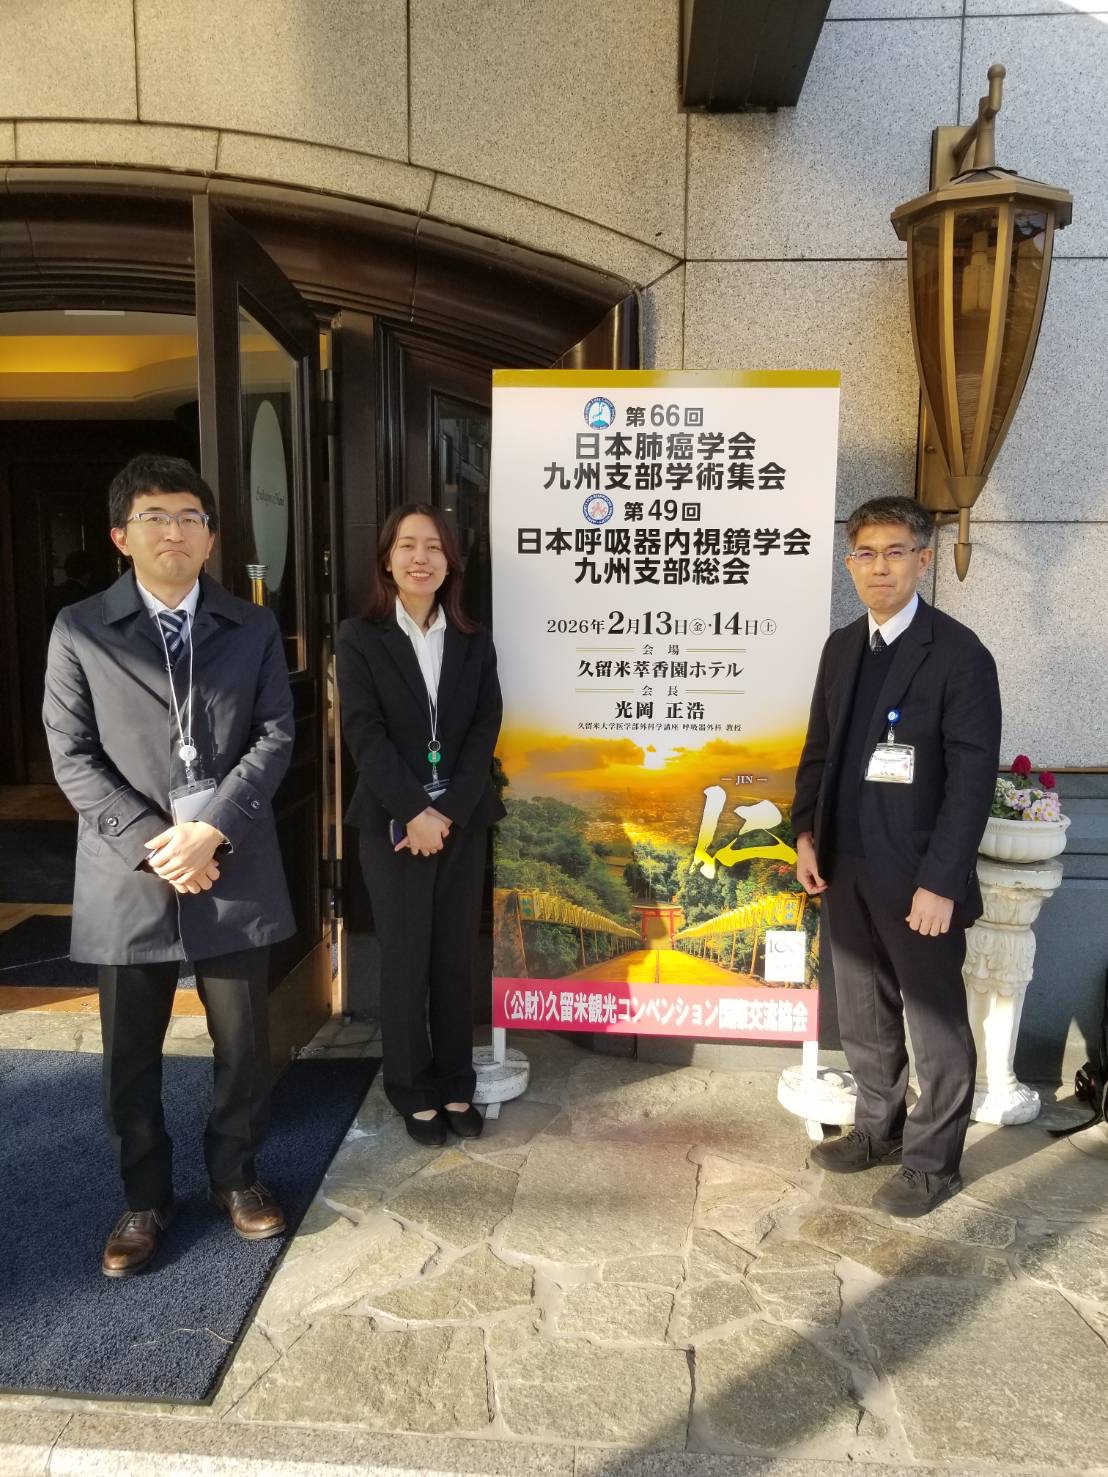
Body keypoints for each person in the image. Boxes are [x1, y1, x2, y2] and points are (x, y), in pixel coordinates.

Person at [42, 453, 296, 1277]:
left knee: (244, 1041)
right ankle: (144, 1197)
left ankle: (237, 1175)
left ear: (211, 536)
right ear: (122, 535)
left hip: (231, 860)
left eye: (190, 517)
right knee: (130, 1055)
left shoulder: (251, 625)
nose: (175, 532)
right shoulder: (80, 628)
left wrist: (211, 830)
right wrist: (162, 841)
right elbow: (72, 753)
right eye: (155, 517)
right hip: (130, 868)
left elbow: (275, 735)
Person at [792, 495, 1001, 1216]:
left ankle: (933, 1163)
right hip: (844, 864)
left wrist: (942, 881)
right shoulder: (842, 646)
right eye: (865, 554)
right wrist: (805, 834)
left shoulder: (959, 654)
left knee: (935, 1020)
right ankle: (878, 1128)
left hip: (918, 876)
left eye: (894, 552)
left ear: (923, 559)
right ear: (849, 564)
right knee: (863, 1012)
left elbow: (972, 778)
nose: (878, 567)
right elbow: (817, 750)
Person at [336, 502, 504, 1146]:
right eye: (407, 545)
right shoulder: (359, 637)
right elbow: (364, 734)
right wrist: (414, 811)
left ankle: (457, 1081)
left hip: (461, 821)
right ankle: (412, 1089)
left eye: (433, 546)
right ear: (387, 559)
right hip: (392, 823)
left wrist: (448, 812)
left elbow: (484, 728)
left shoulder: (472, 638)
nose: (420, 558)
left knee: (455, 957)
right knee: (406, 958)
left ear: (450, 563)